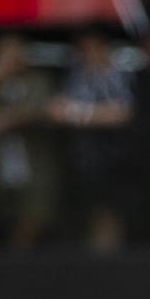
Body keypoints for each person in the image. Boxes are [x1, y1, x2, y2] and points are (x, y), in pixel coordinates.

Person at [0, 34, 61, 250]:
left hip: (34, 163)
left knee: (33, 215)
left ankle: (15, 261)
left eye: (16, 52)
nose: (12, 58)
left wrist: (3, 121)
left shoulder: (39, 79)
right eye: (5, 53)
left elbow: (38, 109)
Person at [51, 29, 135, 252]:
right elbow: (56, 110)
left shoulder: (116, 75)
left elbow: (120, 114)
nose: (87, 53)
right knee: (82, 214)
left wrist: (80, 114)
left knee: (109, 211)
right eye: (83, 49)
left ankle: (107, 263)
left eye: (92, 48)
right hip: (79, 157)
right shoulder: (75, 76)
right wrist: (89, 115)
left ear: (103, 48)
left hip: (111, 156)